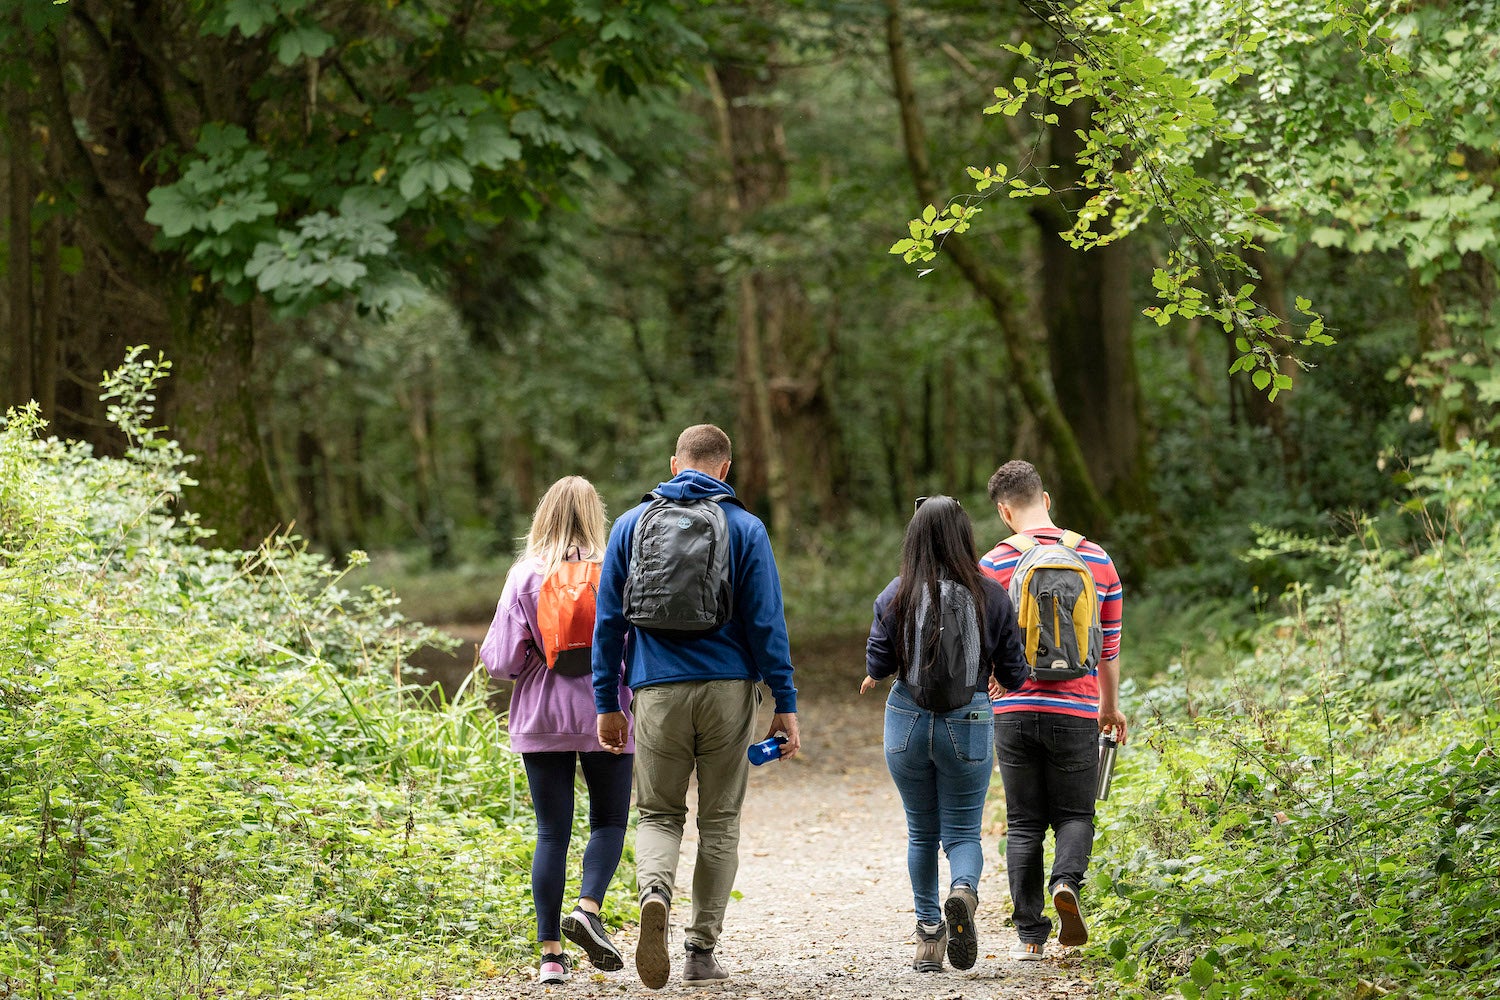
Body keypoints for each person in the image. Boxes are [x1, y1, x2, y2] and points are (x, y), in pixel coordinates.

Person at [592, 424, 801, 991]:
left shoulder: (631, 525)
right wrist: (785, 702)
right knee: (720, 819)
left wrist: (606, 700)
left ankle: (655, 893)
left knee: (658, 812)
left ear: (673, 463)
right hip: (728, 690)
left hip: (655, 689)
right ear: (725, 469)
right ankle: (700, 950)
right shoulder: (746, 527)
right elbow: (766, 624)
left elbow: (608, 621)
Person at [861, 495, 1030, 974]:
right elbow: (1015, 676)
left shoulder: (896, 593)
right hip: (970, 720)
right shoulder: (991, 594)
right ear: (965, 535)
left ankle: (929, 937)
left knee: (921, 832)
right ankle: (963, 892)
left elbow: (879, 663)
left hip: (907, 720)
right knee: (962, 832)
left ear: (913, 537)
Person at [479, 476, 635, 985]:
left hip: (542, 715)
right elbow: (634, 648)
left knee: (552, 831)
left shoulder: (525, 575)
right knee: (609, 821)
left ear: (543, 515)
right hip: (607, 711)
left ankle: (550, 956)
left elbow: (500, 661)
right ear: (597, 516)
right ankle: (587, 909)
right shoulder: (617, 568)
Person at [979, 460, 1126, 962]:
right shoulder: (1097, 559)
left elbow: (980, 644)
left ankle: (1030, 936)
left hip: (1014, 709)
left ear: (1004, 511)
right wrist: (1110, 709)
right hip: (1078, 709)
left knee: (1022, 822)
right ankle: (1066, 883)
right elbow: (1108, 648)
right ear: (1048, 499)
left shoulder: (992, 564)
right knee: (1075, 814)